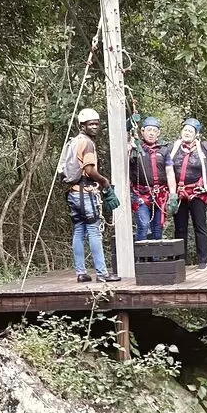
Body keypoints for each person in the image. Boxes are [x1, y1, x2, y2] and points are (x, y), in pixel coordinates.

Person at [59, 108, 121, 283]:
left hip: (72, 193)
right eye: (90, 124)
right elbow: (89, 169)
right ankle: (102, 273)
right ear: (82, 126)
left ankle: (81, 272)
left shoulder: (72, 142)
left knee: (78, 230)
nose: (94, 127)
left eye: (96, 124)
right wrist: (104, 182)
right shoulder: (87, 143)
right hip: (85, 193)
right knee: (93, 231)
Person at [170, 118, 207, 270]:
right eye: (185, 130)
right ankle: (179, 261)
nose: (187, 132)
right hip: (179, 193)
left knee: (200, 226)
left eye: (191, 131)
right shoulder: (173, 148)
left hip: (197, 192)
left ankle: (202, 261)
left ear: (196, 134)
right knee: (180, 228)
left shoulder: (204, 147)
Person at [129, 116, 179, 241]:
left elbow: (170, 173)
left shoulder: (163, 150)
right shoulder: (135, 148)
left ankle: (155, 259)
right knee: (143, 225)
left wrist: (173, 195)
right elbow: (124, 145)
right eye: (149, 130)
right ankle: (141, 259)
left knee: (157, 228)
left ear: (158, 133)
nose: (151, 133)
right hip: (140, 194)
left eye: (154, 131)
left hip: (159, 194)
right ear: (142, 131)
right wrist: (129, 125)